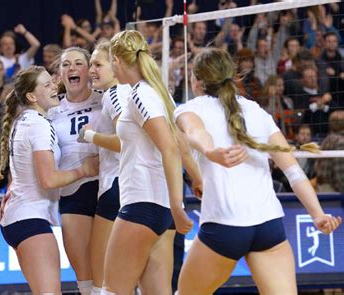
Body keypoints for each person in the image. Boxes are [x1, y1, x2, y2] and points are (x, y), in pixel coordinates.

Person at [174, 47, 342, 294]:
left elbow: (194, 132)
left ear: (197, 81)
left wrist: (211, 152)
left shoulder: (190, 108)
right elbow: (294, 172)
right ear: (232, 76)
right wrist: (317, 215)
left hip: (225, 226)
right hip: (268, 227)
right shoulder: (256, 111)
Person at [100, 30, 193, 294]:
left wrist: (177, 206)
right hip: (158, 207)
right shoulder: (155, 92)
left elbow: (172, 148)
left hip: (143, 202)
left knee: (112, 290)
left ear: (117, 60)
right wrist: (197, 181)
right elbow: (181, 146)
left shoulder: (140, 94)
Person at [0, 66, 98, 294]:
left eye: (52, 82)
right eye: (46, 85)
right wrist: (84, 170)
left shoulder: (24, 120)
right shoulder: (39, 125)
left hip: (18, 217)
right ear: (32, 97)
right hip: (30, 218)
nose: (55, 87)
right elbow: (49, 180)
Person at [47, 47, 104, 294]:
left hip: (107, 188)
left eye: (78, 63)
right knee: (85, 278)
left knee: (111, 273)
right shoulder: (52, 111)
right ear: (59, 74)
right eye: (66, 64)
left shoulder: (106, 99)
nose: (72, 68)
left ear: (88, 69)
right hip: (73, 191)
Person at [77, 42, 130, 294]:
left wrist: (89, 136)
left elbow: (124, 141)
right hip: (132, 186)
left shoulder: (114, 93)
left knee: (100, 273)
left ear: (116, 65)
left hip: (116, 187)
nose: (91, 71)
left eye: (98, 64)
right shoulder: (134, 91)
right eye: (90, 65)